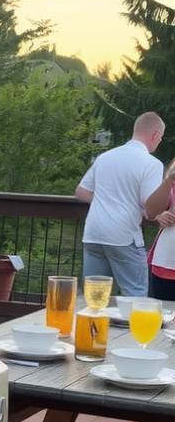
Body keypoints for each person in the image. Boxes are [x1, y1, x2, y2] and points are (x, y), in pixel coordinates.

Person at [75, 112, 165, 297]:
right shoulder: (151, 164)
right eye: (161, 137)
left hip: (94, 233)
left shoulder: (106, 157)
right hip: (123, 236)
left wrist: (105, 200)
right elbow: (150, 209)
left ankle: (92, 326)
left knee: (94, 297)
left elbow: (81, 192)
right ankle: (133, 327)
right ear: (156, 135)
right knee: (136, 293)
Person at [143, 158, 175, 300]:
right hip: (167, 264)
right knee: (162, 315)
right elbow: (150, 210)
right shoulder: (171, 184)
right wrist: (160, 215)